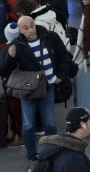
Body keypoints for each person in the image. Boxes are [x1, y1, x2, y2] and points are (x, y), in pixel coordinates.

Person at [1, 15, 71, 161]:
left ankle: (51, 151)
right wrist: (10, 56)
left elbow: (64, 56)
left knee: (50, 123)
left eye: (32, 25)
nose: (31, 29)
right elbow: (4, 70)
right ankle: (32, 155)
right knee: (28, 125)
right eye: (26, 28)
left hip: (48, 85)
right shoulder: (16, 45)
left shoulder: (50, 37)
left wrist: (61, 75)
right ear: (20, 30)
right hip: (28, 89)